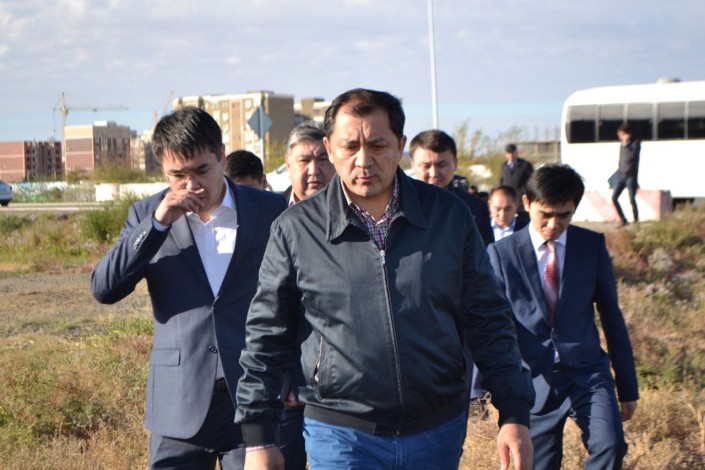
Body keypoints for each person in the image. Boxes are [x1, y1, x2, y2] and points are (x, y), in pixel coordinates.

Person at [235, 88, 534, 470]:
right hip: (340, 431)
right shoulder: (295, 229)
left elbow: (487, 316)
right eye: (350, 146)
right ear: (329, 148)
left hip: (437, 428)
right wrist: (259, 437)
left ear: (401, 146)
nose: (364, 160)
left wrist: (513, 412)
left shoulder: (448, 216)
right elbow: (267, 333)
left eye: (377, 145)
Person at [91, 107, 287, 469]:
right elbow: (105, 288)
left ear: (222, 157)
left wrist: (292, 376)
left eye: (201, 171)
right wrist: (158, 224)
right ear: (163, 171)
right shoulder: (147, 215)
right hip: (178, 403)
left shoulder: (270, 210)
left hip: (253, 401)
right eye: (178, 175)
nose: (192, 185)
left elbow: (299, 297)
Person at [487, 164, 639, 470]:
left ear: (575, 209)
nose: (553, 224)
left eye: (564, 215)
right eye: (545, 214)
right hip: (533, 381)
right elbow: (492, 328)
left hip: (588, 373)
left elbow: (611, 316)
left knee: (611, 446)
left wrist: (627, 385)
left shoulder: (591, 246)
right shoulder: (501, 254)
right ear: (527, 203)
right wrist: (489, 389)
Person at [409, 129, 494, 246]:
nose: (434, 173)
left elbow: (485, 254)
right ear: (412, 164)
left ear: (455, 163)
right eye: (426, 166)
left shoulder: (475, 208)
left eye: (441, 165)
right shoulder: (397, 206)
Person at [281, 123, 335, 206]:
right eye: (304, 161)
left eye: (322, 159)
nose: (314, 171)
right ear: (288, 165)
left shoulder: (352, 208)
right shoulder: (274, 210)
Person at [612, 124, 640, 225]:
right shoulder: (622, 146)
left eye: (621, 135)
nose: (620, 138)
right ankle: (623, 220)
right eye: (619, 136)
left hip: (631, 177)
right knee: (614, 198)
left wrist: (626, 143)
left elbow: (632, 156)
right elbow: (621, 160)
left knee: (632, 199)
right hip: (621, 176)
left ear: (627, 134)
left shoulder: (635, 144)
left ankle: (636, 221)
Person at [499, 143, 533, 219]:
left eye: (512, 152)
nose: (511, 155)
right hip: (508, 201)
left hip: (521, 202)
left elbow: (531, 181)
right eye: (509, 153)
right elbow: (502, 182)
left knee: (523, 221)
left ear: (516, 153)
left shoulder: (525, 165)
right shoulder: (503, 166)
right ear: (506, 154)